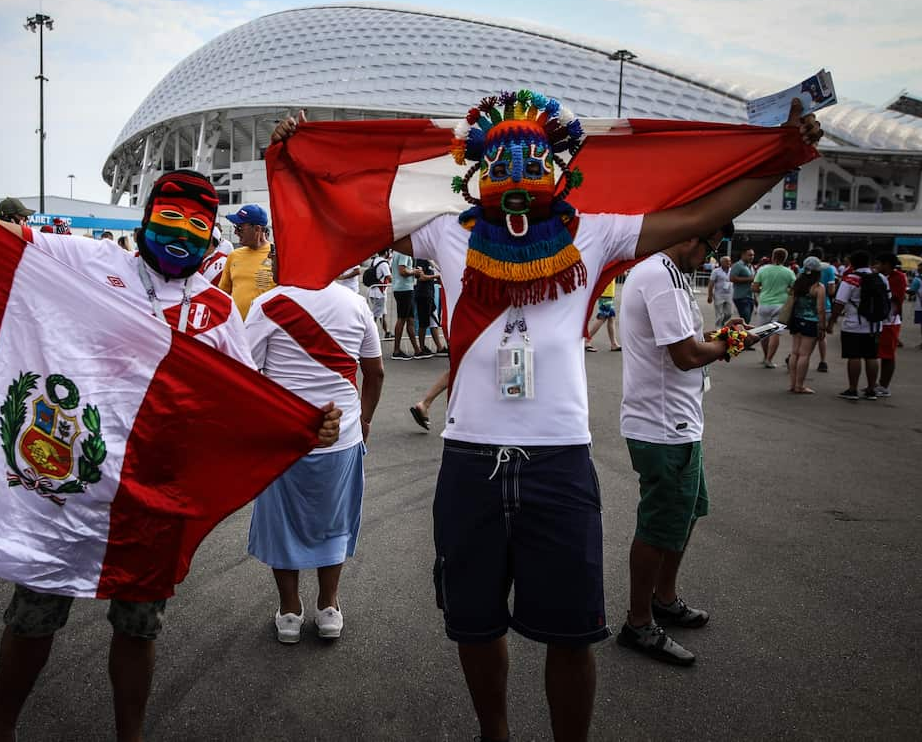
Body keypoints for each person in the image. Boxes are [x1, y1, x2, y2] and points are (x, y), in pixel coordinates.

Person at [272, 92, 822, 742]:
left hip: (560, 463)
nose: (516, 167)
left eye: (532, 157)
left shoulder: (596, 232)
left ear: (561, 165)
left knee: (573, 634)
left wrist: (786, 152)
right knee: (475, 625)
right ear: (476, 165)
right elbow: (355, 204)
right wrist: (299, 153)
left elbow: (707, 209)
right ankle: (494, 733)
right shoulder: (448, 231)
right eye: (500, 156)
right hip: (470, 461)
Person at [0, 136, 341, 742]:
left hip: (151, 495)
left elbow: (244, 399)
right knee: (34, 615)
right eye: (170, 217)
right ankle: (2, 729)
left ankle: (128, 735)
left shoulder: (215, 310)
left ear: (212, 233)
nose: (180, 232)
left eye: (196, 224)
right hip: (65, 485)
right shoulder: (86, 260)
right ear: (145, 217)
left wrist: (303, 425)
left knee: (138, 625)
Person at [616, 222, 747, 666]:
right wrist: (730, 344)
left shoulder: (658, 272)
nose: (710, 258)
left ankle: (663, 598)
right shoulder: (662, 275)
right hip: (663, 425)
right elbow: (686, 355)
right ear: (693, 236)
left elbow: (685, 345)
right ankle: (638, 622)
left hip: (677, 421)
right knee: (658, 524)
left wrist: (723, 337)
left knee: (687, 512)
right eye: (711, 248)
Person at [245, 243, 385, 643]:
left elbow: (247, 374)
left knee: (281, 524)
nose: (269, 261)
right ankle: (328, 606)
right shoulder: (355, 304)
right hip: (342, 437)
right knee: (334, 522)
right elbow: (374, 373)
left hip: (281, 440)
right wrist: (366, 418)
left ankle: (290, 610)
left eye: (275, 255)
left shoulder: (267, 304)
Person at [828, 251, 884, 400]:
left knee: (854, 356)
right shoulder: (881, 278)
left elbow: (839, 303)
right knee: (872, 357)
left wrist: (831, 322)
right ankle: (871, 389)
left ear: (852, 264)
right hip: (875, 325)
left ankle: (853, 389)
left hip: (854, 324)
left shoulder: (850, 279)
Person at [218, 204, 274, 320]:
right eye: (235, 228)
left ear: (257, 229)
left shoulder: (277, 257)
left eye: (240, 228)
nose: (235, 233)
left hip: (266, 330)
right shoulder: (234, 256)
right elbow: (222, 295)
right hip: (236, 329)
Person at [785, 256, 827, 394]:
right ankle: (799, 385)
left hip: (796, 320)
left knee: (795, 352)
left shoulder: (798, 283)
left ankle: (792, 384)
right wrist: (822, 326)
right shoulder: (818, 287)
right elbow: (820, 309)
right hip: (811, 321)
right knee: (804, 355)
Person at [752, 247, 795, 368]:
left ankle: (765, 356)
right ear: (785, 258)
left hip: (764, 303)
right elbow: (794, 289)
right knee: (776, 333)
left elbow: (755, 288)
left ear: (772, 256)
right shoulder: (789, 272)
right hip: (780, 305)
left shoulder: (762, 270)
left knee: (763, 333)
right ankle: (769, 360)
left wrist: (764, 290)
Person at [871, 253, 907, 397]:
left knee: (887, 355)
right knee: (876, 353)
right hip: (878, 321)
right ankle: (875, 384)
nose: (876, 266)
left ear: (887, 264)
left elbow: (895, 298)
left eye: (879, 263)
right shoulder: (879, 276)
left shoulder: (898, 277)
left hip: (890, 321)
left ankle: (884, 386)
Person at [390, 248, 423, 359]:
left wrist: (413, 270)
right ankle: (396, 350)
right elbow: (402, 271)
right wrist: (415, 271)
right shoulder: (403, 252)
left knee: (410, 319)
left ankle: (417, 350)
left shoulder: (396, 252)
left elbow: (402, 270)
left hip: (403, 288)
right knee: (402, 318)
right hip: (404, 289)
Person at [415, 258, 448, 356]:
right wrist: (436, 276)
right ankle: (421, 348)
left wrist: (436, 278)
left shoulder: (430, 260)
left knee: (434, 321)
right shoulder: (421, 260)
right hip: (423, 294)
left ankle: (439, 347)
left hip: (429, 293)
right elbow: (421, 277)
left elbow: (429, 277)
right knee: (424, 322)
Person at [812, 249, 836, 372]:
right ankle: (823, 361)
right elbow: (831, 291)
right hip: (825, 306)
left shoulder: (802, 269)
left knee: (806, 337)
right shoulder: (829, 269)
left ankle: (797, 358)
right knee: (821, 336)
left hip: (806, 309)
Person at [584, 277, 621, 351]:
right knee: (602, 317)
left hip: (607, 292)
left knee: (611, 317)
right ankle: (586, 340)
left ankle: (614, 344)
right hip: (606, 292)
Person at [365, 249, 392, 337]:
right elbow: (389, 277)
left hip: (373, 290)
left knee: (382, 313)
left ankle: (387, 332)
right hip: (379, 293)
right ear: (386, 252)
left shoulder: (375, 261)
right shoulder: (384, 263)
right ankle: (367, 333)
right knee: (376, 314)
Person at [706, 255, 734, 328]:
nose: (729, 262)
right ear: (722, 263)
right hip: (719, 295)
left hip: (729, 295)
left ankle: (722, 323)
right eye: (726, 261)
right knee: (719, 314)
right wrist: (710, 295)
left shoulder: (733, 271)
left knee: (729, 313)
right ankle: (718, 329)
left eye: (729, 261)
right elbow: (711, 283)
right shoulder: (716, 271)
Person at [730, 247, 756, 324]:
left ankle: (740, 334)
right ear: (743, 255)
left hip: (750, 297)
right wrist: (749, 279)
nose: (752, 257)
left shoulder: (750, 266)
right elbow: (732, 278)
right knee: (745, 320)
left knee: (746, 321)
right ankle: (738, 334)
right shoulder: (738, 265)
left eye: (753, 255)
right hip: (741, 297)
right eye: (750, 255)